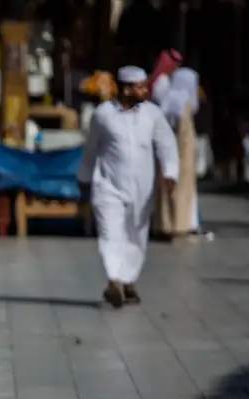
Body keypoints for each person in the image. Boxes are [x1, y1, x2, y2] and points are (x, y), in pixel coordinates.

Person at [78, 66, 179, 308]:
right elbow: (91, 148)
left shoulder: (153, 114)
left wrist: (170, 173)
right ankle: (113, 280)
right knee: (110, 233)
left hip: (142, 189)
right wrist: (84, 177)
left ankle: (128, 280)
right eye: (140, 87)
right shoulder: (103, 114)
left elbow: (166, 144)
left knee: (136, 234)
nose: (145, 91)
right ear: (126, 89)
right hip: (108, 186)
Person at [153, 67, 203, 237]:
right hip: (180, 151)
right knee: (178, 188)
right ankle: (178, 223)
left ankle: (167, 222)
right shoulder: (180, 101)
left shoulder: (172, 99)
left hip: (177, 150)